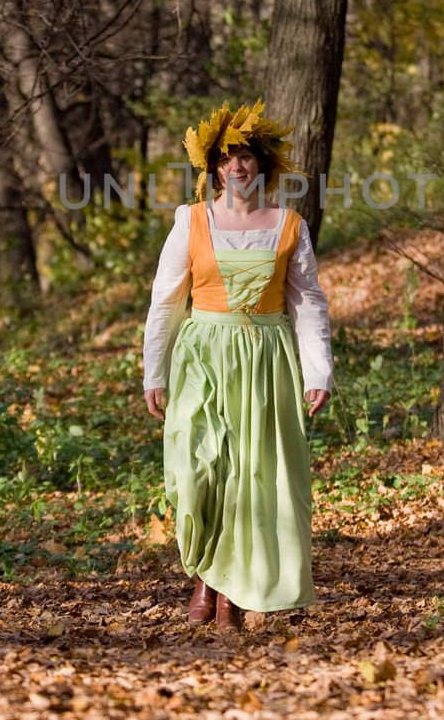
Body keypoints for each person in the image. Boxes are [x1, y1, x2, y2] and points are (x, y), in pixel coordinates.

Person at [141, 100, 334, 632]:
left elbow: (307, 301)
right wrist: (153, 370)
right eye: (228, 158)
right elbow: (165, 300)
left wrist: (318, 370)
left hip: (266, 357)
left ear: (262, 166)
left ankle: (226, 593)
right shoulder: (192, 221)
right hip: (204, 355)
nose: (238, 167)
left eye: (247, 157)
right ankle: (204, 572)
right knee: (198, 468)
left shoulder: (288, 224)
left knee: (251, 473)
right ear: (214, 168)